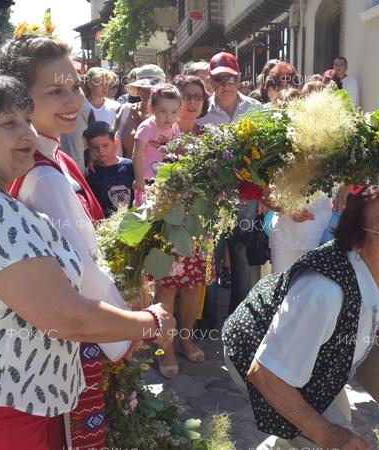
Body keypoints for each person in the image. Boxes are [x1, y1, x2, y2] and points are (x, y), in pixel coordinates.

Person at [0, 64, 174, 450]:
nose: (28, 134)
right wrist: (149, 321)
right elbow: (69, 317)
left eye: (27, 119)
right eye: (8, 123)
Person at [0, 32, 131, 450]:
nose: (72, 100)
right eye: (55, 91)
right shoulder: (44, 174)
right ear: (20, 99)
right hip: (74, 337)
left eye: (75, 86)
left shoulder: (55, 157)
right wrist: (130, 331)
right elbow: (84, 269)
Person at [223, 183, 379, 449]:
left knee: (319, 430)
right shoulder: (323, 293)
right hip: (258, 354)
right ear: (358, 237)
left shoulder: (377, 267)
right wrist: (329, 436)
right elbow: (265, 374)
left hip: (311, 362)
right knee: (327, 436)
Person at [150, 75, 215, 379]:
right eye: (186, 96)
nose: (192, 102)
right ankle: (166, 348)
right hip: (165, 222)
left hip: (198, 225)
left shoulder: (210, 137)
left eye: (198, 97)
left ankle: (186, 340)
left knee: (191, 288)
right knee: (165, 287)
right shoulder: (159, 134)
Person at [197, 52, 261, 316]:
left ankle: (240, 315)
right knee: (211, 257)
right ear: (211, 82)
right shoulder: (202, 113)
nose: (225, 84)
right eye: (219, 79)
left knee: (242, 257)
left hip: (247, 196)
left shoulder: (256, 110)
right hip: (213, 197)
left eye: (230, 78)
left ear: (239, 78)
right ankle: (208, 317)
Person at [131, 84, 180, 196]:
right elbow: (136, 155)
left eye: (174, 112)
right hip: (148, 181)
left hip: (168, 180)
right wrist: (139, 179)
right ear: (152, 108)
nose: (169, 117)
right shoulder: (147, 127)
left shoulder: (175, 127)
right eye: (163, 111)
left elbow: (176, 152)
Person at [114, 64, 166, 158]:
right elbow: (111, 143)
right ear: (138, 90)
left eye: (151, 89)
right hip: (128, 171)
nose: (147, 93)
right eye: (142, 88)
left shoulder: (169, 114)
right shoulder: (125, 111)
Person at [83, 121, 134, 217]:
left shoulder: (130, 166)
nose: (101, 151)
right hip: (107, 227)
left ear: (115, 143)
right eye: (95, 147)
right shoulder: (90, 174)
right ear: (89, 149)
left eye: (105, 145)